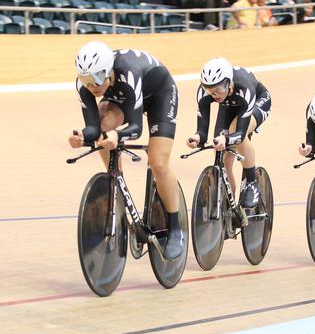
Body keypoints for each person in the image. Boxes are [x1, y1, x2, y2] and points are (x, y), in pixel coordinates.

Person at [68, 41, 185, 260]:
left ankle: (176, 229)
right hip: (124, 95)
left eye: (97, 78)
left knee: (158, 163)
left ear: (109, 71)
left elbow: (136, 128)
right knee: (103, 129)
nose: (92, 85)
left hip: (160, 94)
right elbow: (94, 128)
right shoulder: (86, 85)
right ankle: (116, 180)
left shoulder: (128, 71)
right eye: (86, 80)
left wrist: (118, 136)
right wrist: (83, 136)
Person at [187, 58, 271, 209]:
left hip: (257, 102)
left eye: (218, 89)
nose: (213, 94)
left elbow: (239, 133)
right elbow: (202, 131)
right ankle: (229, 209)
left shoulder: (245, 87)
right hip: (228, 105)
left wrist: (227, 138)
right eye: (209, 90)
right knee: (223, 161)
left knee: (236, 135)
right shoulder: (205, 92)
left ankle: (251, 182)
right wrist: (197, 138)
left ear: (228, 83)